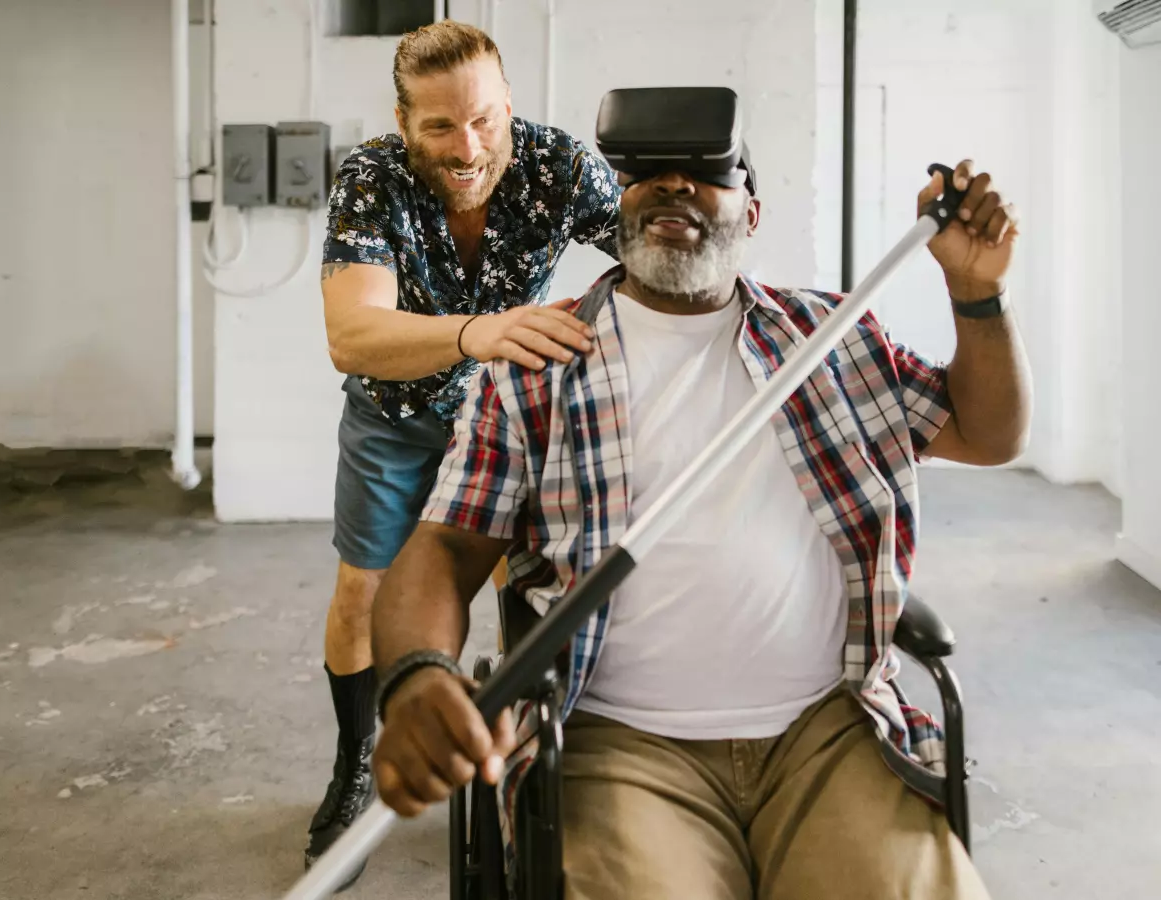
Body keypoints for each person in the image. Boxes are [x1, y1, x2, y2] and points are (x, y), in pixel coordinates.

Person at [368, 126, 1031, 898]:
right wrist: (416, 677)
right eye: (646, 169)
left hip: (828, 729)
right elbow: (445, 547)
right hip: (620, 745)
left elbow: (989, 434)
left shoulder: (833, 338)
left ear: (751, 214)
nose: (673, 181)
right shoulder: (536, 365)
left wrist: (977, 295)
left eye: (709, 169)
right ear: (618, 208)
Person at [310, 20, 620, 877]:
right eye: (441, 125)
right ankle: (352, 768)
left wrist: (728, 198)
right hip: (394, 418)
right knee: (361, 596)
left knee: (522, 597)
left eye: (483, 119)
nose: (467, 143)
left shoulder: (559, 167)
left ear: (509, 107)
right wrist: (480, 332)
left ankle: (519, 772)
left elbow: (657, 248)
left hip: (506, 422)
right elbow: (352, 332)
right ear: (405, 121)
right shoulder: (372, 178)